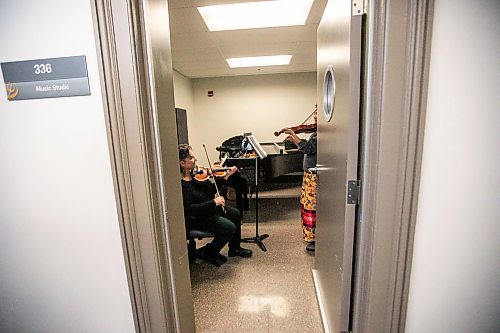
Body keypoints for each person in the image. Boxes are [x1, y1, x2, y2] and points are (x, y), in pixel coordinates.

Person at [179, 144, 253, 265]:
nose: (195, 159)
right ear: (182, 163)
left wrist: (226, 176)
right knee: (229, 227)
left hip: (210, 211)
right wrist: (214, 202)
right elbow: (189, 209)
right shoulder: (182, 185)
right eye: (191, 158)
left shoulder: (196, 176)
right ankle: (209, 251)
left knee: (235, 213)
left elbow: (213, 190)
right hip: (200, 218)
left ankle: (235, 248)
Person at [283, 122, 317, 252]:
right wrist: (294, 139)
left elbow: (309, 149)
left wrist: (294, 135)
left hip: (313, 177)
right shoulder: (317, 133)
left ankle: (313, 238)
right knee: (306, 205)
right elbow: (309, 149)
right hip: (309, 176)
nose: (314, 116)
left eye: (316, 113)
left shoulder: (321, 134)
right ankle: (310, 235)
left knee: (311, 207)